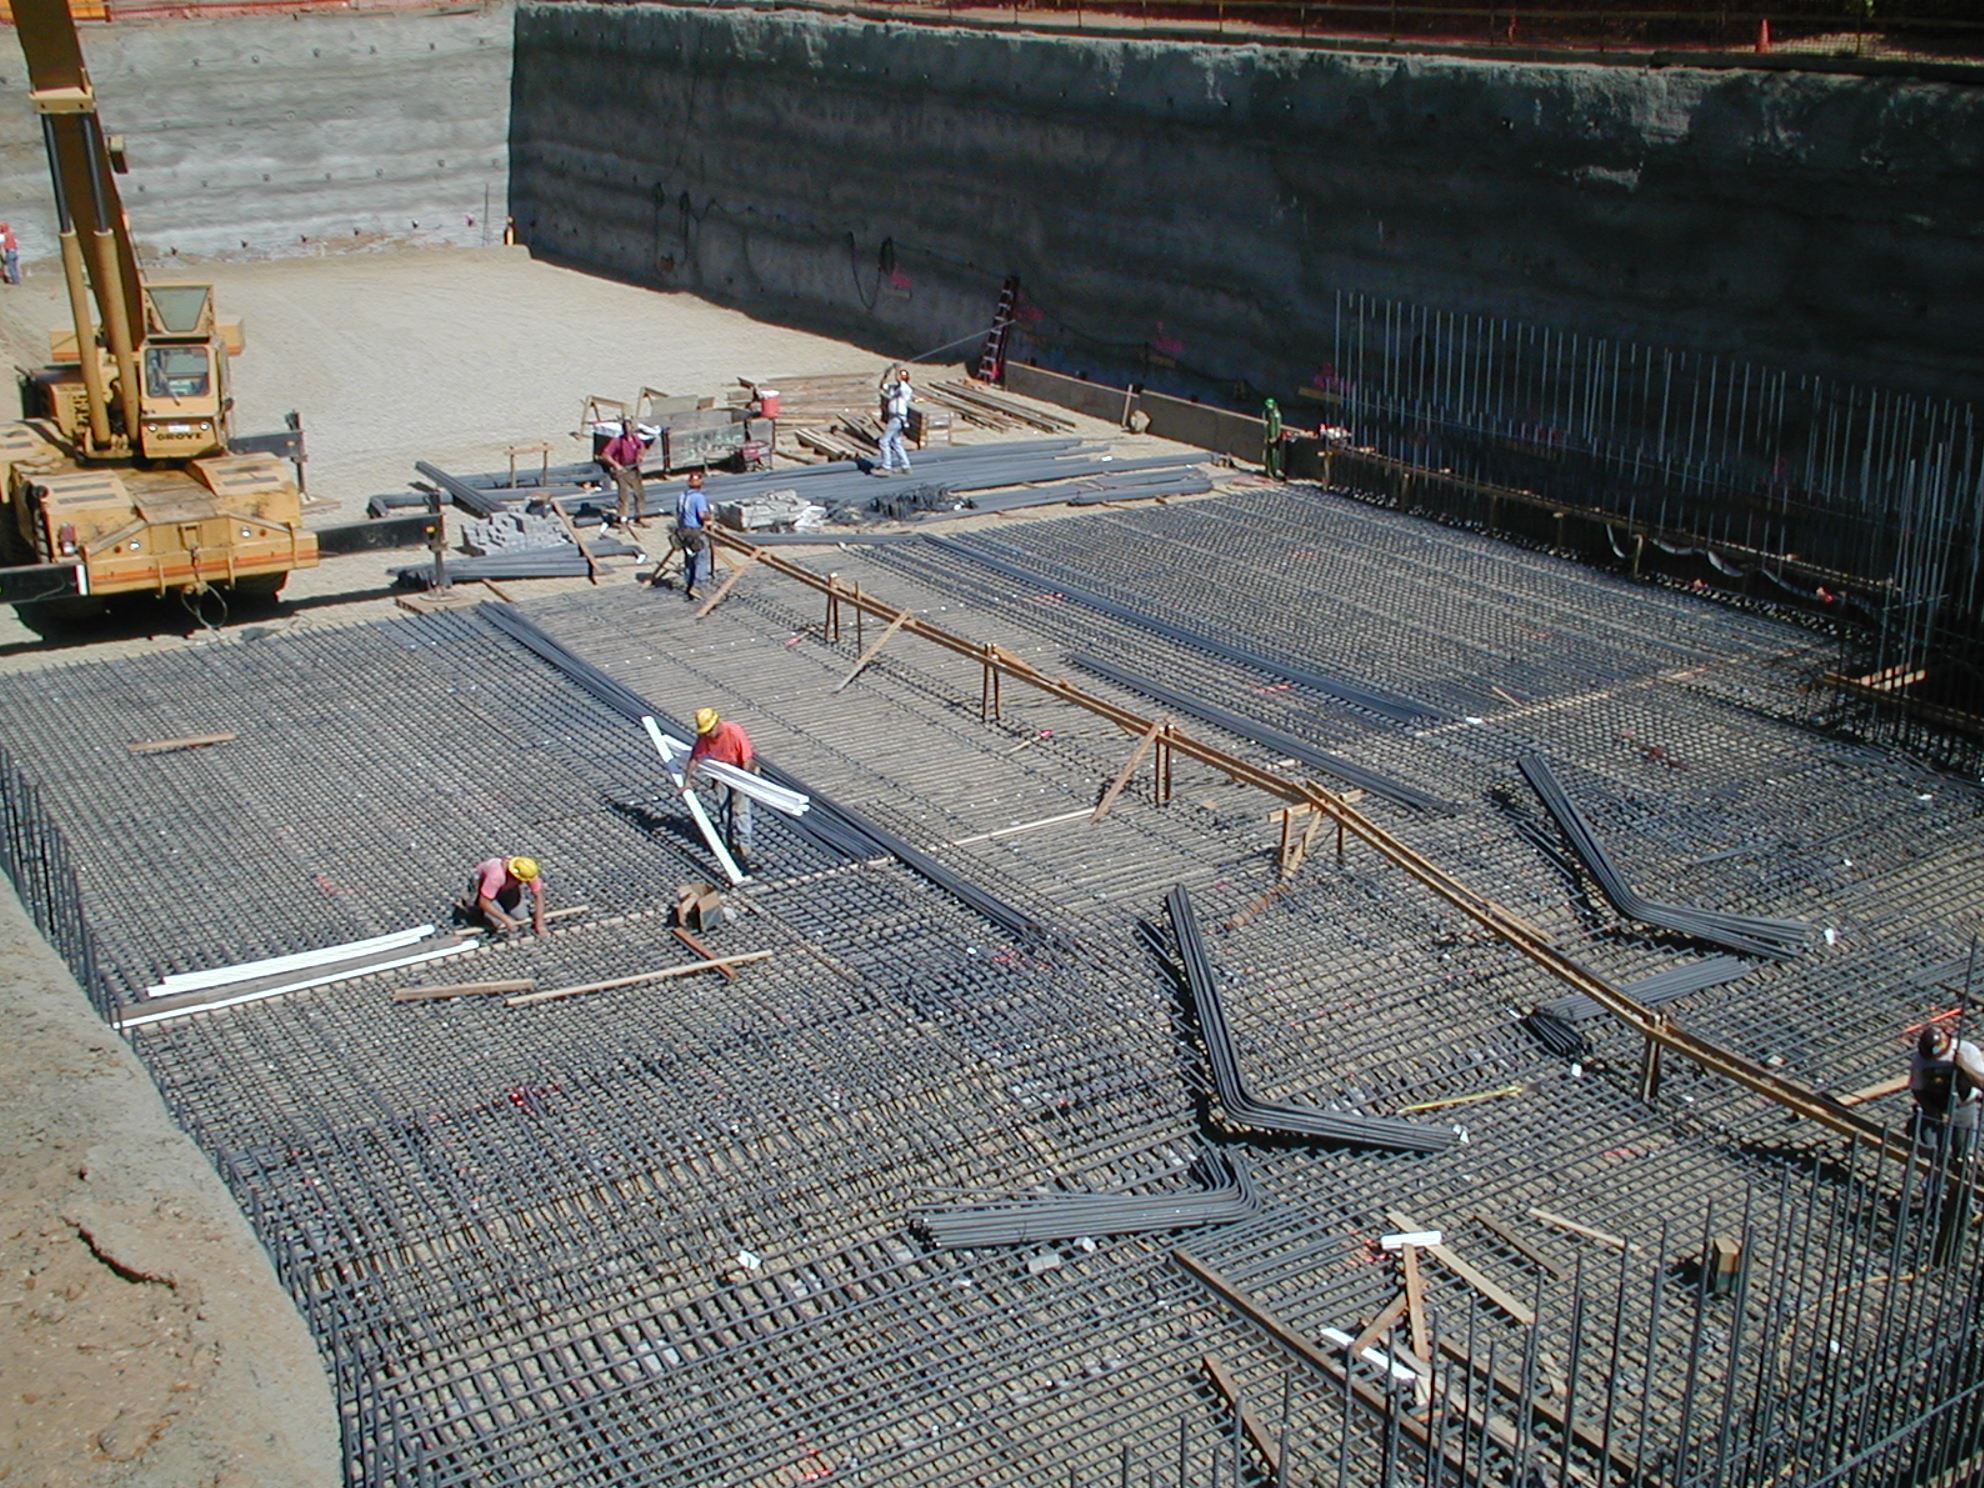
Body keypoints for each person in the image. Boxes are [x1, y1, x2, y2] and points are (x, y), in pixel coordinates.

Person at [1908, 1023, 1984, 1208]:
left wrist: (1964, 1067)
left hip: (1963, 1108)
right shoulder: (1920, 1060)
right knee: (1936, 1155)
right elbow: (1917, 1089)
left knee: (1963, 1156)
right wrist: (1932, 1110)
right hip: (1937, 1110)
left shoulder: (1966, 1051)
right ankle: (1932, 1195)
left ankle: (1964, 1202)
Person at [686, 707, 758, 867]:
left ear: (718, 722)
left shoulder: (734, 731)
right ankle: (727, 844)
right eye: (706, 732)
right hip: (722, 771)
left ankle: (745, 848)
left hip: (741, 770)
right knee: (724, 810)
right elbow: (694, 757)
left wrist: (742, 784)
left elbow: (747, 760)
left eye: (710, 730)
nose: (709, 735)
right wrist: (687, 781)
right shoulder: (704, 737)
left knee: (740, 811)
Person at [459, 855, 546, 936]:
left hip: (506, 888)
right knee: (498, 923)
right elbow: (484, 902)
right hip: (483, 888)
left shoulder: (527, 872)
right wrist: (506, 919)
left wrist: (540, 922)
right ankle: (477, 913)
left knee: (522, 917)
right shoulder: (496, 876)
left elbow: (538, 896)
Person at [599, 419, 649, 525]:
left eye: (629, 428)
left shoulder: (636, 439)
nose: (628, 430)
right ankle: (623, 519)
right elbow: (605, 454)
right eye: (625, 428)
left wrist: (640, 456)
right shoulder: (618, 441)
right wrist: (616, 465)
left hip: (633, 469)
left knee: (639, 493)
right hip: (621, 470)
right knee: (624, 494)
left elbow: (642, 447)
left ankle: (640, 516)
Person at [673, 470, 712, 601]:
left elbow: (679, 514)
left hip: (683, 531)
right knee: (701, 558)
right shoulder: (699, 498)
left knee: (689, 559)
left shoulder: (682, 496)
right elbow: (702, 515)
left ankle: (689, 584)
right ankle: (698, 586)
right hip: (695, 531)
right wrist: (709, 517)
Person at [875, 366, 913, 477]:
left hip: (898, 418)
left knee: (883, 441)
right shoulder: (894, 388)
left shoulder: (906, 389)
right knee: (896, 442)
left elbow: (899, 380)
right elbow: (882, 386)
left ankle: (886, 467)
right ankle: (905, 466)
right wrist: (886, 375)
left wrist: (897, 369)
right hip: (894, 418)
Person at [1262, 397, 1285, 479]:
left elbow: (1275, 427)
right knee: (1270, 454)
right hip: (1272, 436)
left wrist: (1274, 437)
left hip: (1273, 437)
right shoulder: (1272, 413)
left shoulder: (1275, 415)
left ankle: (1272, 470)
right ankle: (1270, 470)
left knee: (1273, 454)